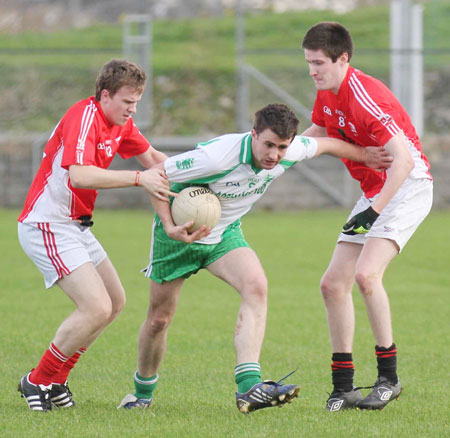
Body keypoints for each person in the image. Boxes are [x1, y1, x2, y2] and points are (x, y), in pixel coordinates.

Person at [117, 103, 393, 414]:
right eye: (269, 145)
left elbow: (327, 144)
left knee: (256, 285)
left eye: (282, 147)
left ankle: (249, 387)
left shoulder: (290, 151)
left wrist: (365, 156)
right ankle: (141, 392)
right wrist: (170, 225)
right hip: (179, 236)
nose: (275, 155)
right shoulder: (217, 157)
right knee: (159, 319)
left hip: (224, 235)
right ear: (253, 135)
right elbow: (155, 176)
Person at [16, 58, 195, 412]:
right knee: (95, 306)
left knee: (114, 302)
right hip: (47, 224)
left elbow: (157, 162)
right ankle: (37, 380)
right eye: (128, 102)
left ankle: (57, 379)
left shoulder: (121, 125)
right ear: (105, 95)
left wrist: (201, 177)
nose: (132, 110)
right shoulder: (83, 117)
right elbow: (80, 176)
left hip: (76, 226)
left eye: (137, 103)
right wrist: (137, 179)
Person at [301, 22, 433, 411]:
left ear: (343, 59)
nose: (313, 71)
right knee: (332, 284)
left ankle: (388, 380)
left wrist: (374, 212)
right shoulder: (326, 93)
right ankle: (343, 386)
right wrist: (275, 156)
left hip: (407, 186)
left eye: (320, 63)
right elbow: (319, 133)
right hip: (376, 190)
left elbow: (405, 161)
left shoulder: (365, 95)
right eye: (308, 63)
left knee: (366, 275)